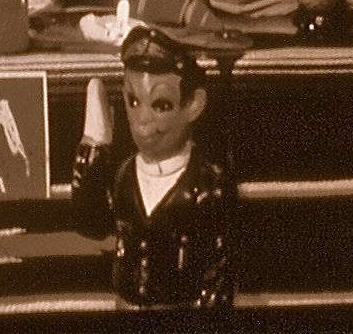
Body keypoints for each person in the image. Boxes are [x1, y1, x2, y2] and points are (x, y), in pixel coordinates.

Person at [71, 25, 234, 309]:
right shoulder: (124, 175)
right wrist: (94, 145)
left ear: (193, 105)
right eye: (133, 101)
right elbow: (91, 225)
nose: (142, 119)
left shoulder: (204, 184)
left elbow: (218, 270)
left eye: (161, 105)